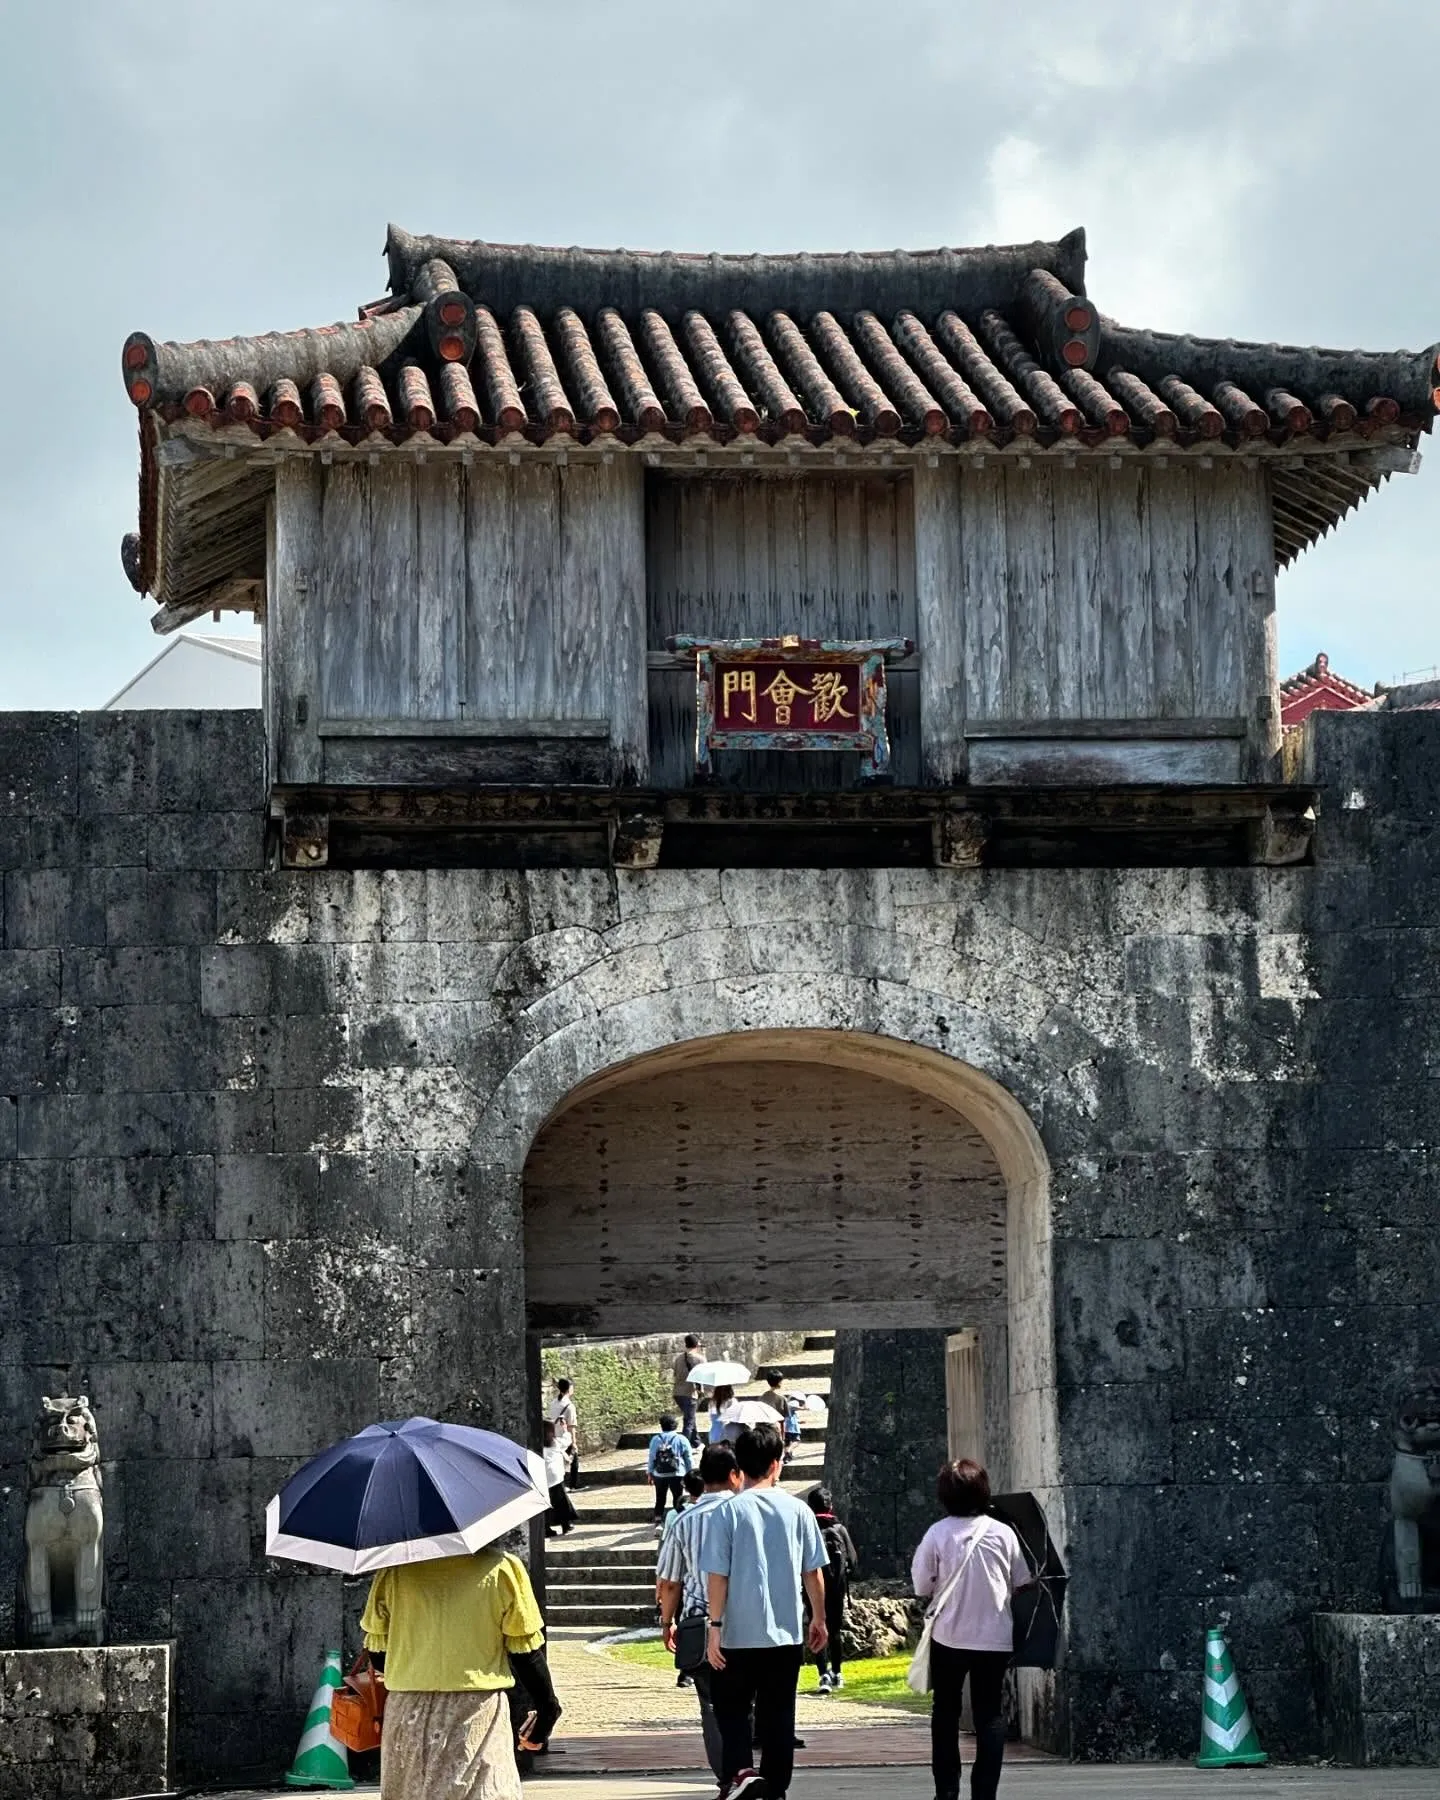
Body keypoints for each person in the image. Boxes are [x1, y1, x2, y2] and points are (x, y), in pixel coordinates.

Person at [360, 1543, 560, 1800]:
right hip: (475, 1709)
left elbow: (378, 1653)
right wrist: (547, 1708)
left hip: (408, 1712)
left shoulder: (394, 1571)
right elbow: (525, 1653)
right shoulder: (501, 1568)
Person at [701, 1421, 829, 1800]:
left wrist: (715, 1625)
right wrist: (819, 1617)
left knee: (731, 1708)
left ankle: (740, 1772)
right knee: (779, 1716)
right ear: (777, 1463)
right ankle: (775, 1787)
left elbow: (717, 1576)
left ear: (740, 1467)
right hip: (784, 1631)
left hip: (737, 1633)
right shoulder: (798, 1510)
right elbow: (813, 1572)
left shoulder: (726, 1511)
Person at [911, 1458, 1033, 1800]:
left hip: (948, 1635)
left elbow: (922, 1585)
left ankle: (946, 1790)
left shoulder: (937, 1533)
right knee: (989, 1714)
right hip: (994, 1636)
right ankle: (984, 1793)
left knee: (945, 1712)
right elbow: (1020, 1579)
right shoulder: (1003, 1532)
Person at [657, 1442, 743, 1778]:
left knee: (710, 1705)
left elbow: (672, 1581)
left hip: (698, 1622)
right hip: (743, 1620)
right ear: (735, 1475)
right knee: (746, 1701)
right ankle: (744, 1772)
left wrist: (666, 1623)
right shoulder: (744, 1515)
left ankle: (726, 1776)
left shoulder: (683, 1521)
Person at [805, 1486, 857, 1693]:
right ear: (831, 1505)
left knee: (816, 1628)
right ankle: (837, 1672)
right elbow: (853, 1560)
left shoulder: (809, 1529)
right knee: (835, 1630)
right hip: (837, 1589)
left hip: (812, 1588)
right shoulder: (840, 1529)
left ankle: (822, 1674)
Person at [648, 1412, 695, 1534]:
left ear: (661, 1425)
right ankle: (677, 1521)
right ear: (675, 1425)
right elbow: (688, 1458)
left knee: (660, 1497)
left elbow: (652, 1457)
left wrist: (650, 1472)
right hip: (677, 1473)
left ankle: (658, 1522)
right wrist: (691, 1473)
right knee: (677, 1497)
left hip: (659, 1474)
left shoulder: (655, 1439)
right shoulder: (681, 1439)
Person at [543, 1422, 576, 1536]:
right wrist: (565, 1429)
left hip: (542, 1478)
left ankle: (546, 1528)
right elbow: (567, 1440)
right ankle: (566, 1525)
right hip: (555, 1477)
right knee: (561, 1502)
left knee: (546, 1505)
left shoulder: (538, 1446)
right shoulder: (555, 1443)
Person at [673, 1333, 706, 1444]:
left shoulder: (678, 1358)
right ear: (697, 1344)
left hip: (677, 1393)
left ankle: (696, 1442)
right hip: (690, 1394)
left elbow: (676, 1374)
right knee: (689, 1421)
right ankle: (683, 1446)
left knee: (690, 1417)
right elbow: (704, 1377)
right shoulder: (700, 1359)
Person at [549, 1377, 579, 1490]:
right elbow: (571, 1426)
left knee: (558, 1463)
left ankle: (561, 1485)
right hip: (565, 1437)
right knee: (574, 1460)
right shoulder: (569, 1406)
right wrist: (574, 1442)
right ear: (569, 1389)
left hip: (554, 1437)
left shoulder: (553, 1403)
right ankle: (573, 1485)